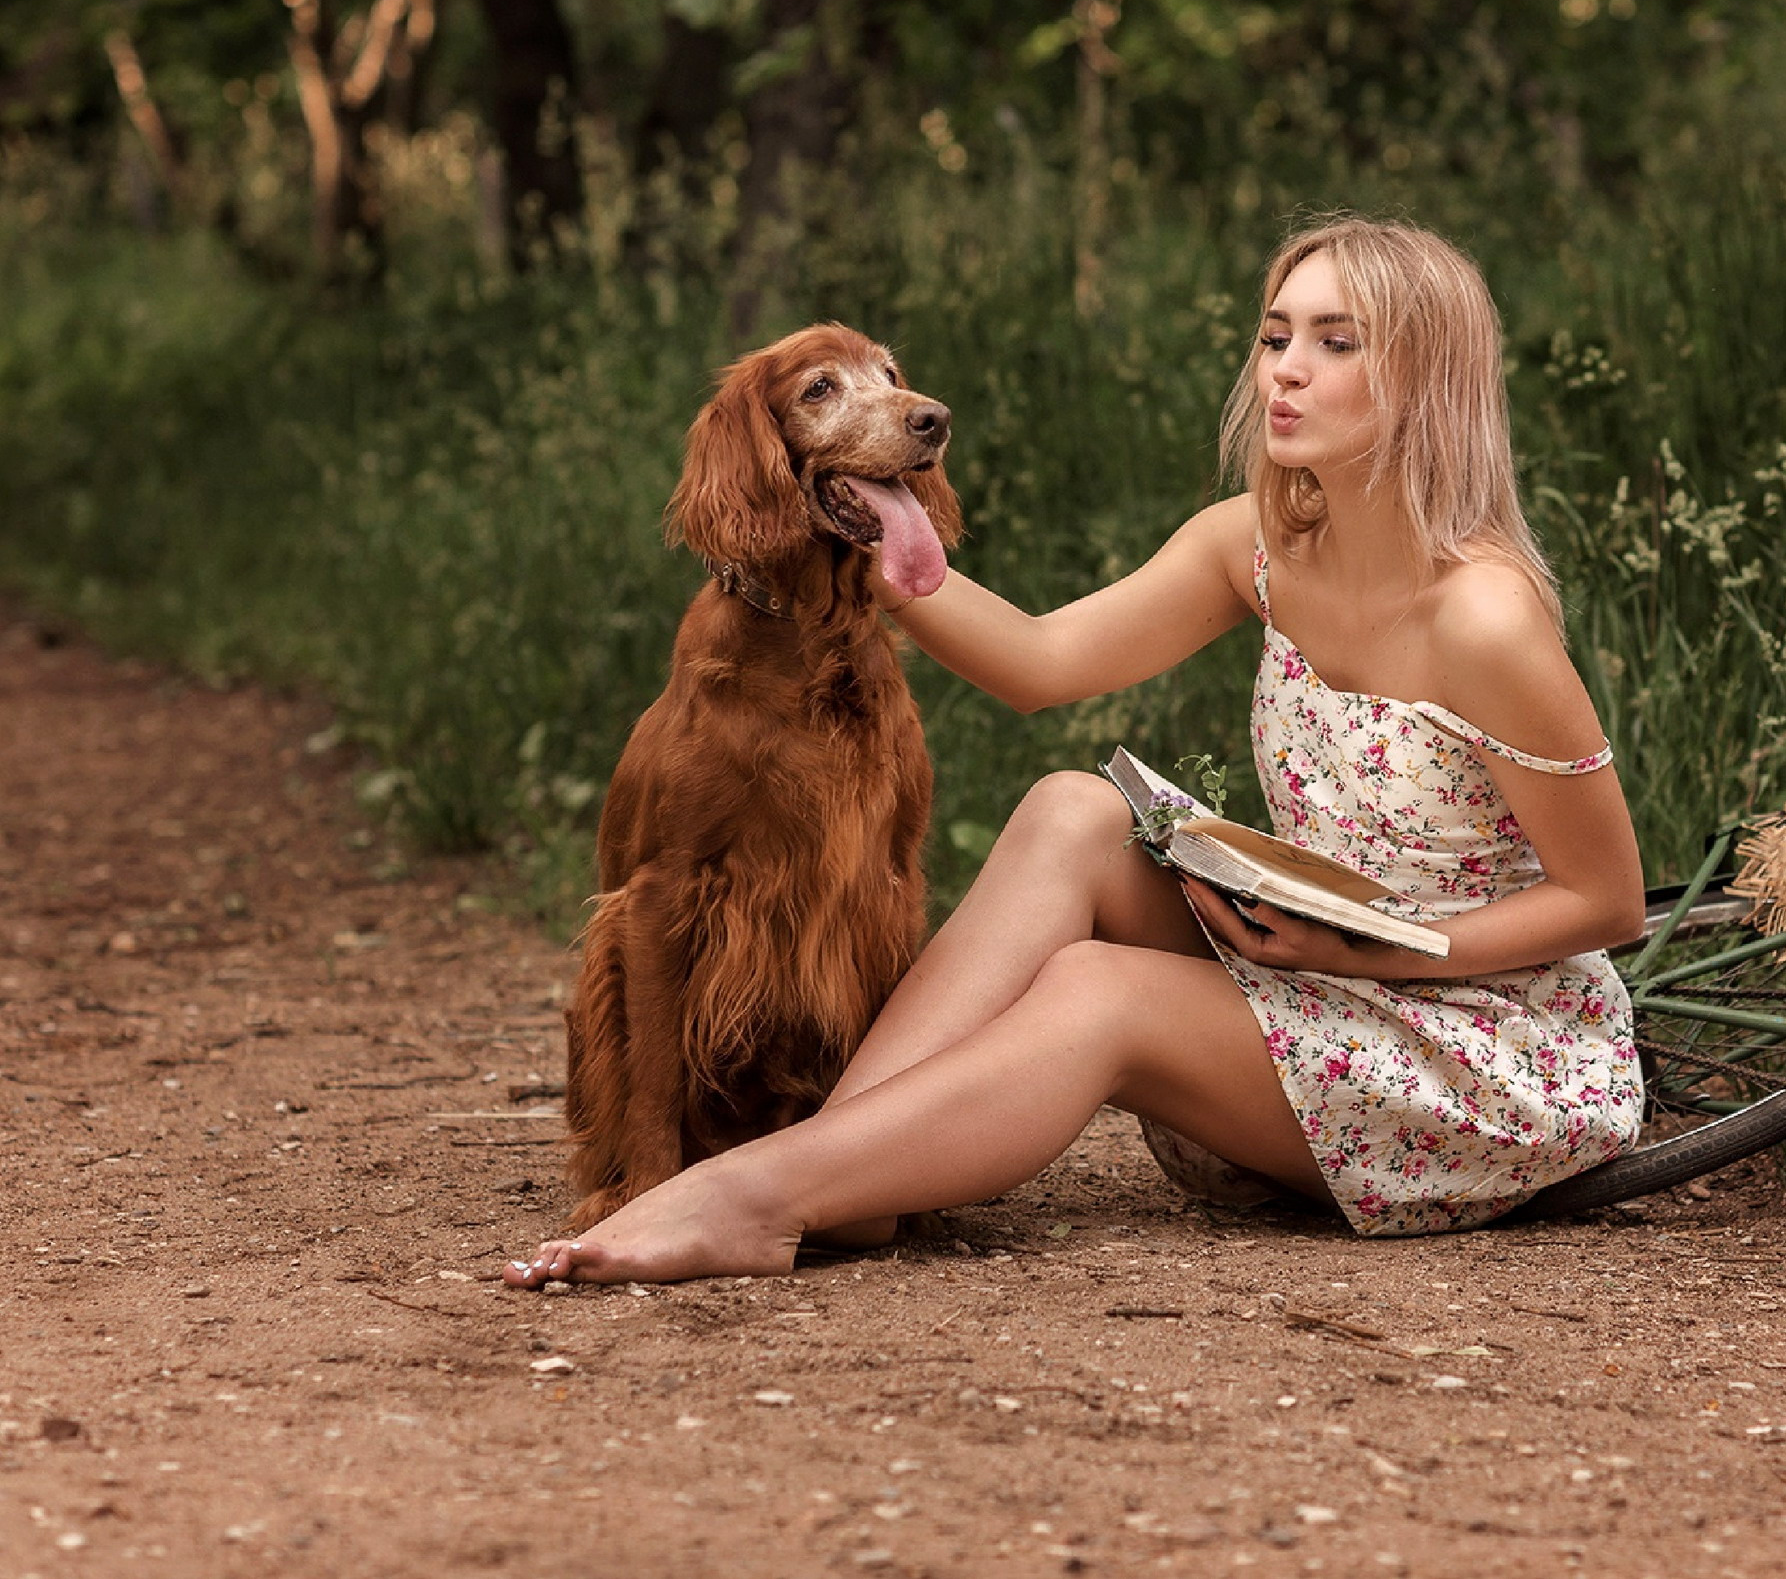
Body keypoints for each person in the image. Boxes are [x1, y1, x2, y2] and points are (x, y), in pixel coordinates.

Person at [505, 216, 1646, 1286]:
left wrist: (1368, 952)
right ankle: (843, 1171)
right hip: (1324, 982)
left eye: (1334, 343)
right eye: (1274, 336)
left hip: (1481, 1049)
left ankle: (754, 1197)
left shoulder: (1484, 615)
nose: (1285, 370)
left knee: (1098, 988)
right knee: (1073, 809)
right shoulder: (1255, 545)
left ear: (1425, 379)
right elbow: (1040, 661)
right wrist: (832, 531)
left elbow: (1607, 902)